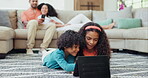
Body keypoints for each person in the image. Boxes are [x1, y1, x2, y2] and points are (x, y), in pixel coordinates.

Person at [37, 3, 115, 29]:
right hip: (61, 29)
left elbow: (59, 23)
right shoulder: (40, 18)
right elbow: (48, 26)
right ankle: (104, 27)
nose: (44, 9)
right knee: (82, 25)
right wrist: (60, 25)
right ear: (40, 10)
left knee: (81, 16)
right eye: (43, 8)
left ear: (48, 9)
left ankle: (97, 26)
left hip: (65, 25)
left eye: (46, 8)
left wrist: (62, 24)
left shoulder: (51, 17)